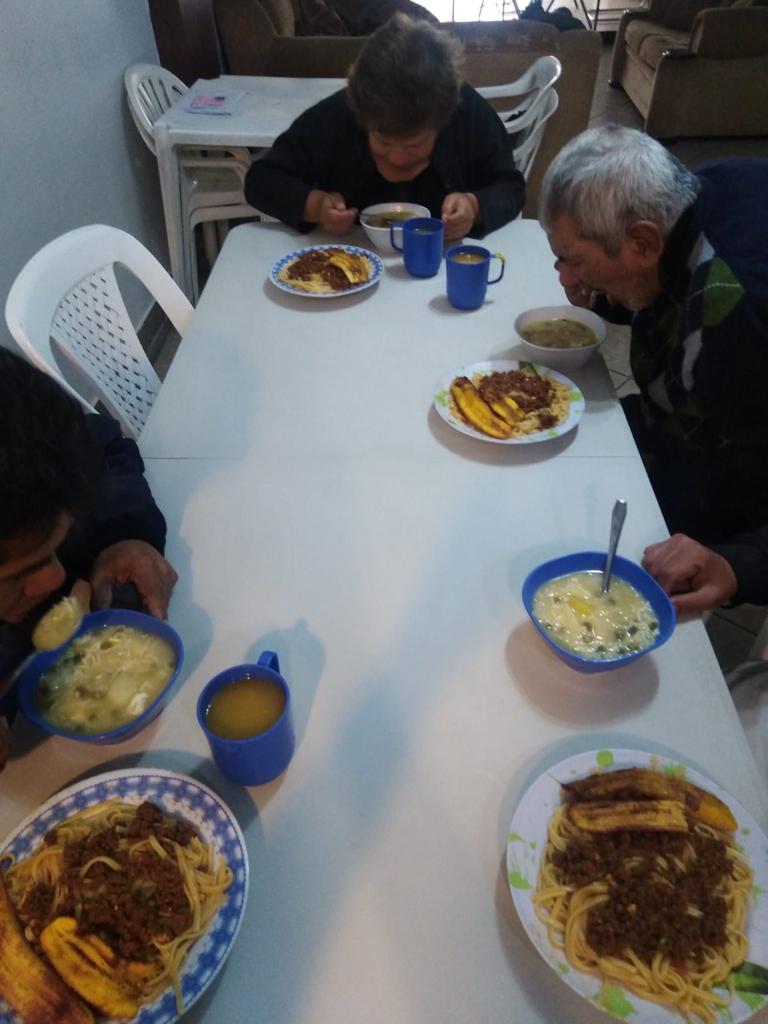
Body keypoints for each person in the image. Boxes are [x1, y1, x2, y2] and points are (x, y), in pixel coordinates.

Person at [538, 125, 768, 613]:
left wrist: (737, 564)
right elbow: (667, 295)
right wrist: (609, 294)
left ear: (641, 244)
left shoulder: (738, 316)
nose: (565, 276)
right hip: (692, 425)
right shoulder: (689, 196)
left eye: (573, 260)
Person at [0, 350, 178, 757]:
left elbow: (107, 448)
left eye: (52, 550)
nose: (55, 579)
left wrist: (126, 534)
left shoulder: (31, 439)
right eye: (17, 575)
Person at [245, 15, 525, 242]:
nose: (398, 159)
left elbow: (511, 188)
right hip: (348, 265)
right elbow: (261, 180)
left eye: (415, 145)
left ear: (442, 122)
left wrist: (474, 206)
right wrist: (316, 206)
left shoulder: (465, 112)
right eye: (383, 142)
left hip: (443, 268)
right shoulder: (340, 113)